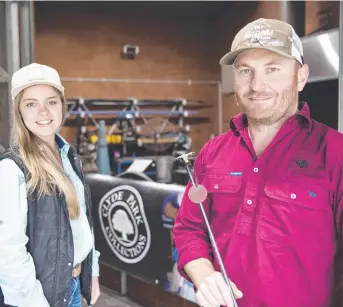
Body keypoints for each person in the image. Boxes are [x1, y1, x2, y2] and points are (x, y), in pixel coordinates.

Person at [173, 18, 343, 307]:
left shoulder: (335, 153)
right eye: (245, 71)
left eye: (272, 69)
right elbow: (190, 229)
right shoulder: (212, 152)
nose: (257, 85)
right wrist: (204, 275)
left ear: (300, 77)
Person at [0, 63, 101, 307]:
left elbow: (82, 222)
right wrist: (36, 302)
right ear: (20, 112)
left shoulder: (68, 155)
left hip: (72, 287)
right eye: (31, 104)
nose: (43, 111)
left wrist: (92, 273)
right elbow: (7, 251)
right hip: (38, 297)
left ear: (62, 106)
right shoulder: (12, 168)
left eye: (52, 102)